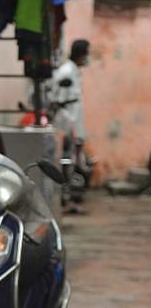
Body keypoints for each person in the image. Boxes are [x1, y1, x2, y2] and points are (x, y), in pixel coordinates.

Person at [49, 39, 91, 214]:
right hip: (65, 122)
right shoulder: (66, 72)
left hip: (72, 121)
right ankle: (64, 200)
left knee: (72, 161)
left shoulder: (73, 72)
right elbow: (56, 97)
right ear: (81, 53)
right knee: (65, 161)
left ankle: (68, 199)